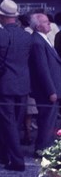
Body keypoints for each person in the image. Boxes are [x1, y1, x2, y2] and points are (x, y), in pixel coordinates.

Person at [0, 0, 31, 171]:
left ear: (1, 16)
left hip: (4, 85)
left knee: (8, 123)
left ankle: (16, 160)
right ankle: (9, 155)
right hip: (23, 85)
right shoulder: (27, 36)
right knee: (17, 123)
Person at [29, 13, 61, 152]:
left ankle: (45, 147)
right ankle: (42, 148)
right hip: (47, 90)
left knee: (50, 121)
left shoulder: (43, 39)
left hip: (52, 87)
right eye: (46, 22)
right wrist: (51, 91)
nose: (49, 24)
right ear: (38, 26)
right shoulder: (37, 41)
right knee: (46, 121)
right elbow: (42, 69)